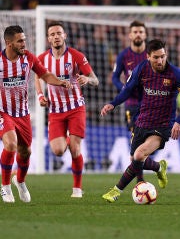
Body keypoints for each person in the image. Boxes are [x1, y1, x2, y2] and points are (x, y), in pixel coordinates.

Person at [100, 39, 180, 203]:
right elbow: (128, 89)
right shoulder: (141, 69)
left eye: (163, 56)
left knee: (139, 155)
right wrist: (113, 103)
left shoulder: (176, 74)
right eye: (156, 57)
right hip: (142, 121)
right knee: (135, 160)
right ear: (148, 56)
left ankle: (116, 191)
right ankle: (159, 167)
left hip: (163, 125)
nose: (160, 61)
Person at [0, 25, 72, 203]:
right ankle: (5, 186)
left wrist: (60, 82)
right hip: (3, 112)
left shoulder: (29, 58)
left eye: (24, 39)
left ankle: (20, 181)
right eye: (20, 41)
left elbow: (45, 75)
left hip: (23, 114)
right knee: (10, 145)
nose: (24, 43)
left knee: (26, 152)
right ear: (9, 43)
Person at [34, 21, 99, 198]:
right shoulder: (42, 59)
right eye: (52, 34)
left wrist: (87, 80)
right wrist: (40, 95)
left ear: (65, 36)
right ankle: (70, 139)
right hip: (55, 110)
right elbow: (38, 78)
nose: (56, 37)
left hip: (76, 108)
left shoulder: (76, 56)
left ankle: (77, 189)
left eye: (59, 33)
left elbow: (95, 80)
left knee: (76, 149)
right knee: (58, 150)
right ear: (48, 38)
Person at [112, 20, 147, 132]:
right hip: (132, 103)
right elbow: (115, 77)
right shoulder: (123, 55)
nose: (138, 34)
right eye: (135, 32)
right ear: (130, 35)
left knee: (151, 139)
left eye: (141, 32)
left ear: (145, 35)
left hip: (151, 102)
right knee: (136, 137)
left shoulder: (152, 55)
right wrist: (123, 88)